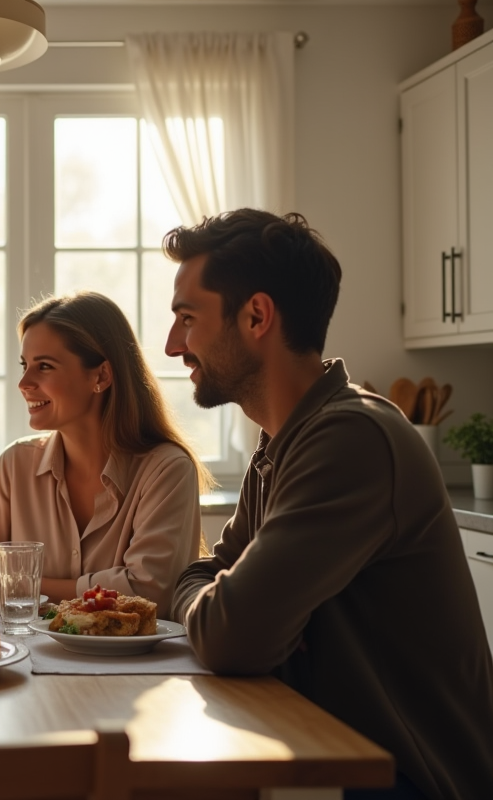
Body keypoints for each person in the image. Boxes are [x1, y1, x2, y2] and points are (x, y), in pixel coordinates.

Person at [163, 209, 493, 800]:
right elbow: (205, 579)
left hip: (405, 777)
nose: (171, 345)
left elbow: (231, 635)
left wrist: (218, 604)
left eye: (187, 319)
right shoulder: (282, 441)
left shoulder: (349, 438)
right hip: (327, 748)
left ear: (257, 316)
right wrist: (216, 598)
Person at [0, 291, 211, 618]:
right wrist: (99, 587)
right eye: (24, 365)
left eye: (44, 366)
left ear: (100, 376)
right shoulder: (15, 465)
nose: (24, 382)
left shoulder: (167, 470)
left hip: (134, 667)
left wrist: (26, 583)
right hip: (27, 660)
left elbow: (149, 591)